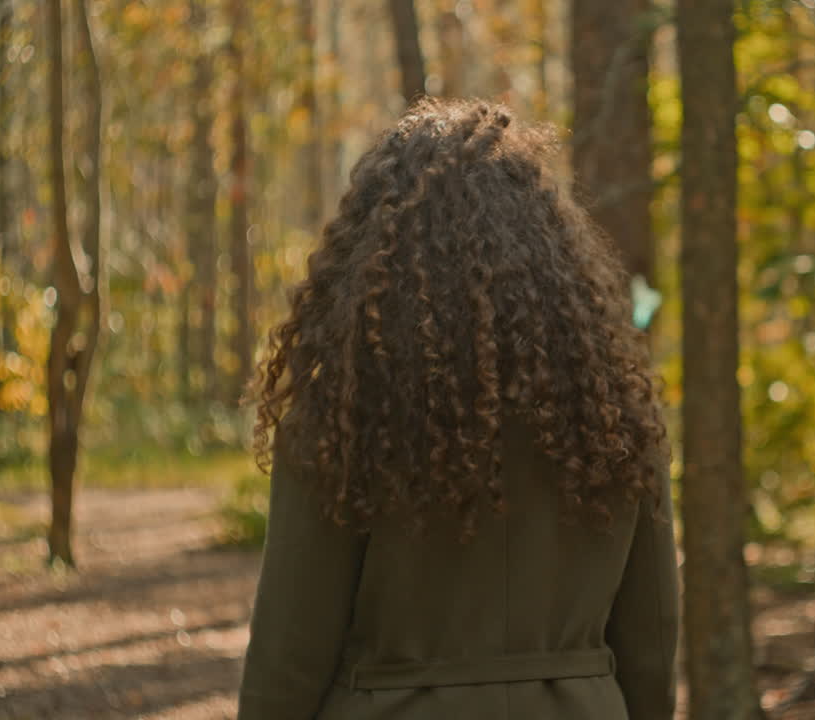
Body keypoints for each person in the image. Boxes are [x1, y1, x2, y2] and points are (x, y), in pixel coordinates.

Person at [236, 98, 678, 720]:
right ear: (552, 254)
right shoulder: (615, 417)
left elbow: (290, 651)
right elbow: (652, 639)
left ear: (375, 256)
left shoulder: (343, 418)